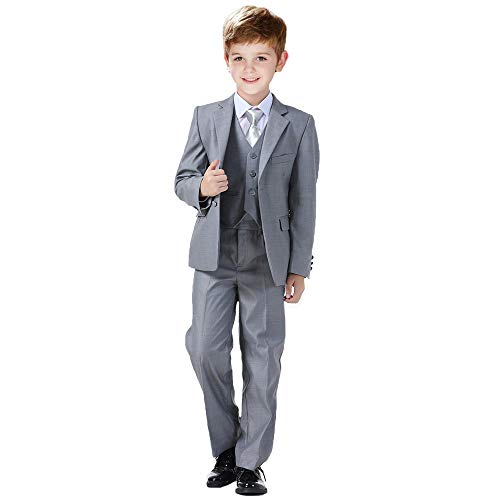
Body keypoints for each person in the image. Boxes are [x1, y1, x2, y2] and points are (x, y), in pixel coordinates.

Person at [174, 5, 319, 495]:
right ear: (226, 60)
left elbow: (305, 200)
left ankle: (250, 462)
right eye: (239, 58)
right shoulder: (206, 116)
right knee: (204, 349)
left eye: (261, 58)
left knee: (264, 357)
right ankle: (227, 447)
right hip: (214, 256)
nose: (250, 68)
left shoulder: (299, 124)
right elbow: (182, 178)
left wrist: (299, 267)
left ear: (280, 61)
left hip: (268, 259)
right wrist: (201, 187)